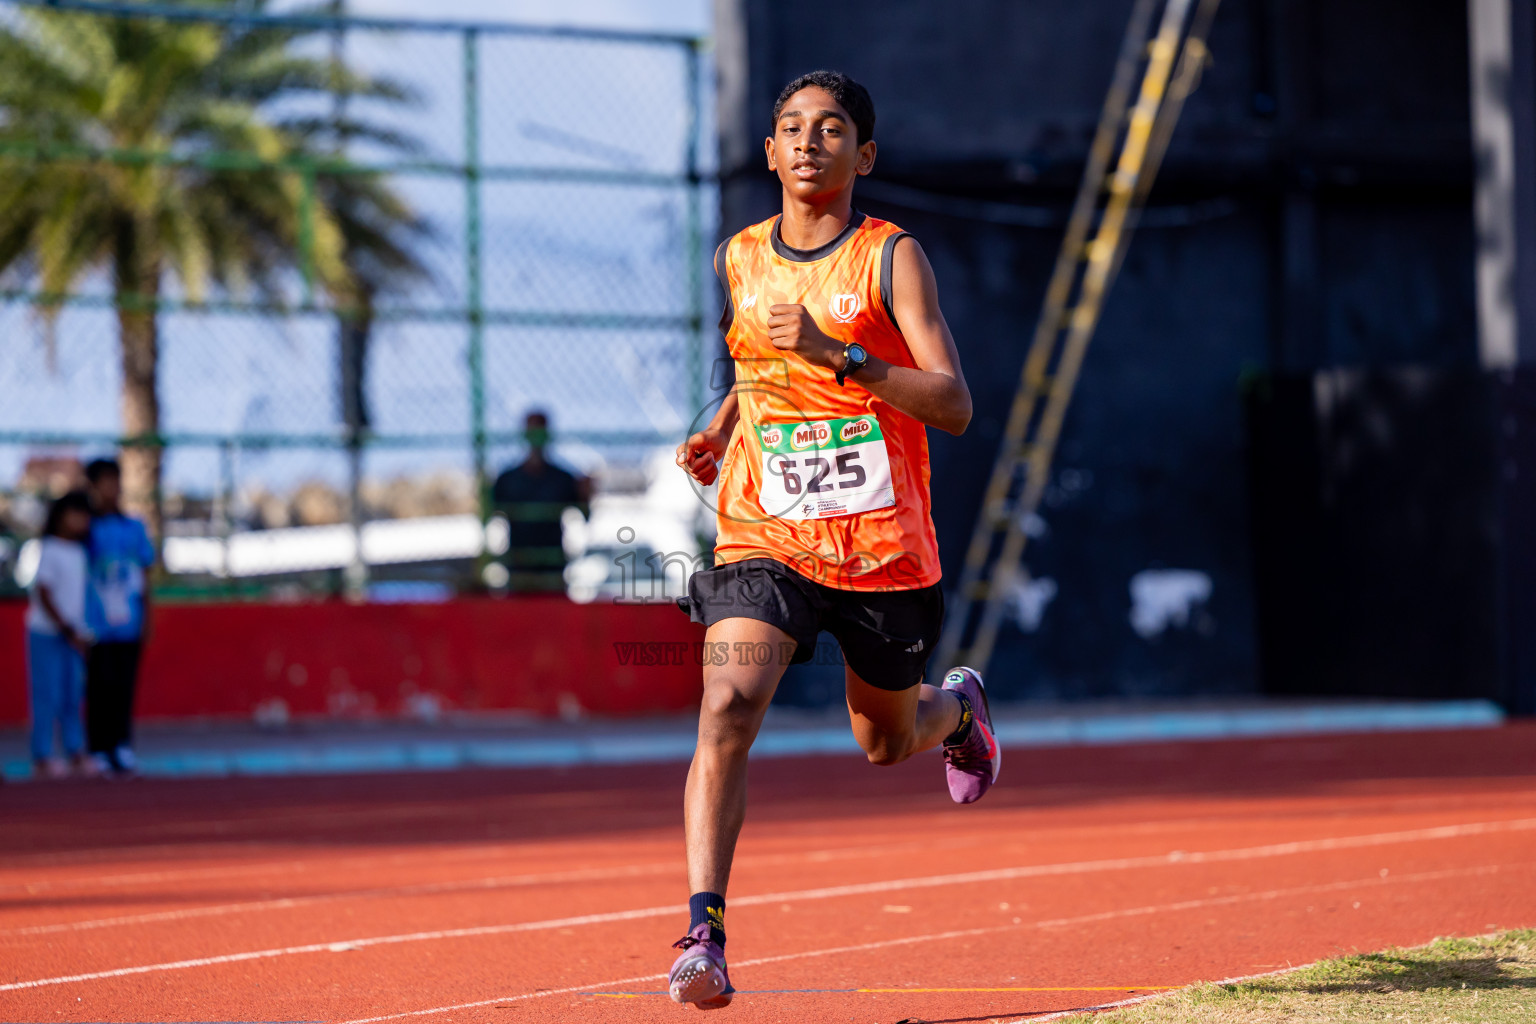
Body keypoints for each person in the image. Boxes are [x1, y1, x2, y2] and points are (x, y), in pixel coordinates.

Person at [667, 70, 1001, 1008]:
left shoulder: (891, 258)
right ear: (770, 151)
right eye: (791, 128)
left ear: (865, 154)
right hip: (763, 533)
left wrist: (843, 354)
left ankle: (959, 715)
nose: (810, 142)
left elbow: (957, 405)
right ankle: (705, 933)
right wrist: (726, 424)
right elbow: (754, 362)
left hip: (880, 550)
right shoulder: (738, 256)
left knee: (885, 742)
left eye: (832, 129)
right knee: (729, 700)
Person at [83, 458, 156, 777]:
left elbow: (145, 573)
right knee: (98, 686)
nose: (112, 487)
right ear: (93, 486)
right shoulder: (84, 528)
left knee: (124, 685)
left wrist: (148, 617)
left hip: (129, 623)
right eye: (104, 481)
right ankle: (97, 748)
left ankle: (121, 745)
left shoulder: (134, 527)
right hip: (95, 624)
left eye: (116, 480)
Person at [25, 491, 96, 779]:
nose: (79, 521)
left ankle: (75, 751)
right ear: (59, 517)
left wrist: (82, 631)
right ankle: (42, 756)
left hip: (74, 636)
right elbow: (43, 592)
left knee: (72, 694)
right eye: (73, 514)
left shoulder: (81, 552)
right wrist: (65, 627)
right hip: (46, 634)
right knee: (47, 695)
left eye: (83, 515)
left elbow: (80, 597)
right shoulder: (50, 548)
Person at [490, 411, 591, 593]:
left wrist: (586, 495)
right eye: (532, 430)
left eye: (540, 430)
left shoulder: (563, 478)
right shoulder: (507, 479)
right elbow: (490, 517)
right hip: (518, 569)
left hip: (553, 571)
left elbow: (585, 516)